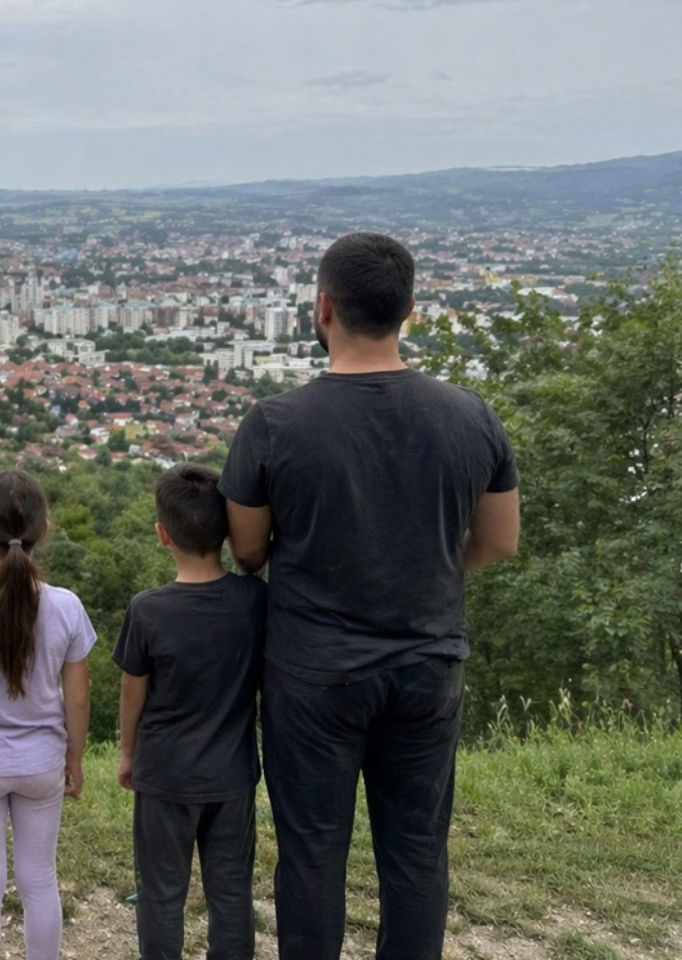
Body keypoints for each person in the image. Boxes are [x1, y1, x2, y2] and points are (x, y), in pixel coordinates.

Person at [221, 232, 520, 960]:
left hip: (314, 671)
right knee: (416, 850)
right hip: (428, 662)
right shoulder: (470, 416)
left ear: (324, 308)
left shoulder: (275, 423)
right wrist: (425, 563)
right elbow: (498, 542)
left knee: (312, 852)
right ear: (410, 309)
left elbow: (248, 552)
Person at [113, 463, 267, 960]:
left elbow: (132, 693)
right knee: (232, 893)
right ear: (226, 531)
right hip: (232, 774)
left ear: (163, 534)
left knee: (161, 895)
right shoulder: (255, 600)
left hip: (164, 773)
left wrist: (128, 753)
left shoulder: (147, 610)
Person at [0, 469, 95, 960]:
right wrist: (74, 756)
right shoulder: (67, 607)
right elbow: (78, 698)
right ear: (43, 530)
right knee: (39, 879)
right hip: (42, 762)